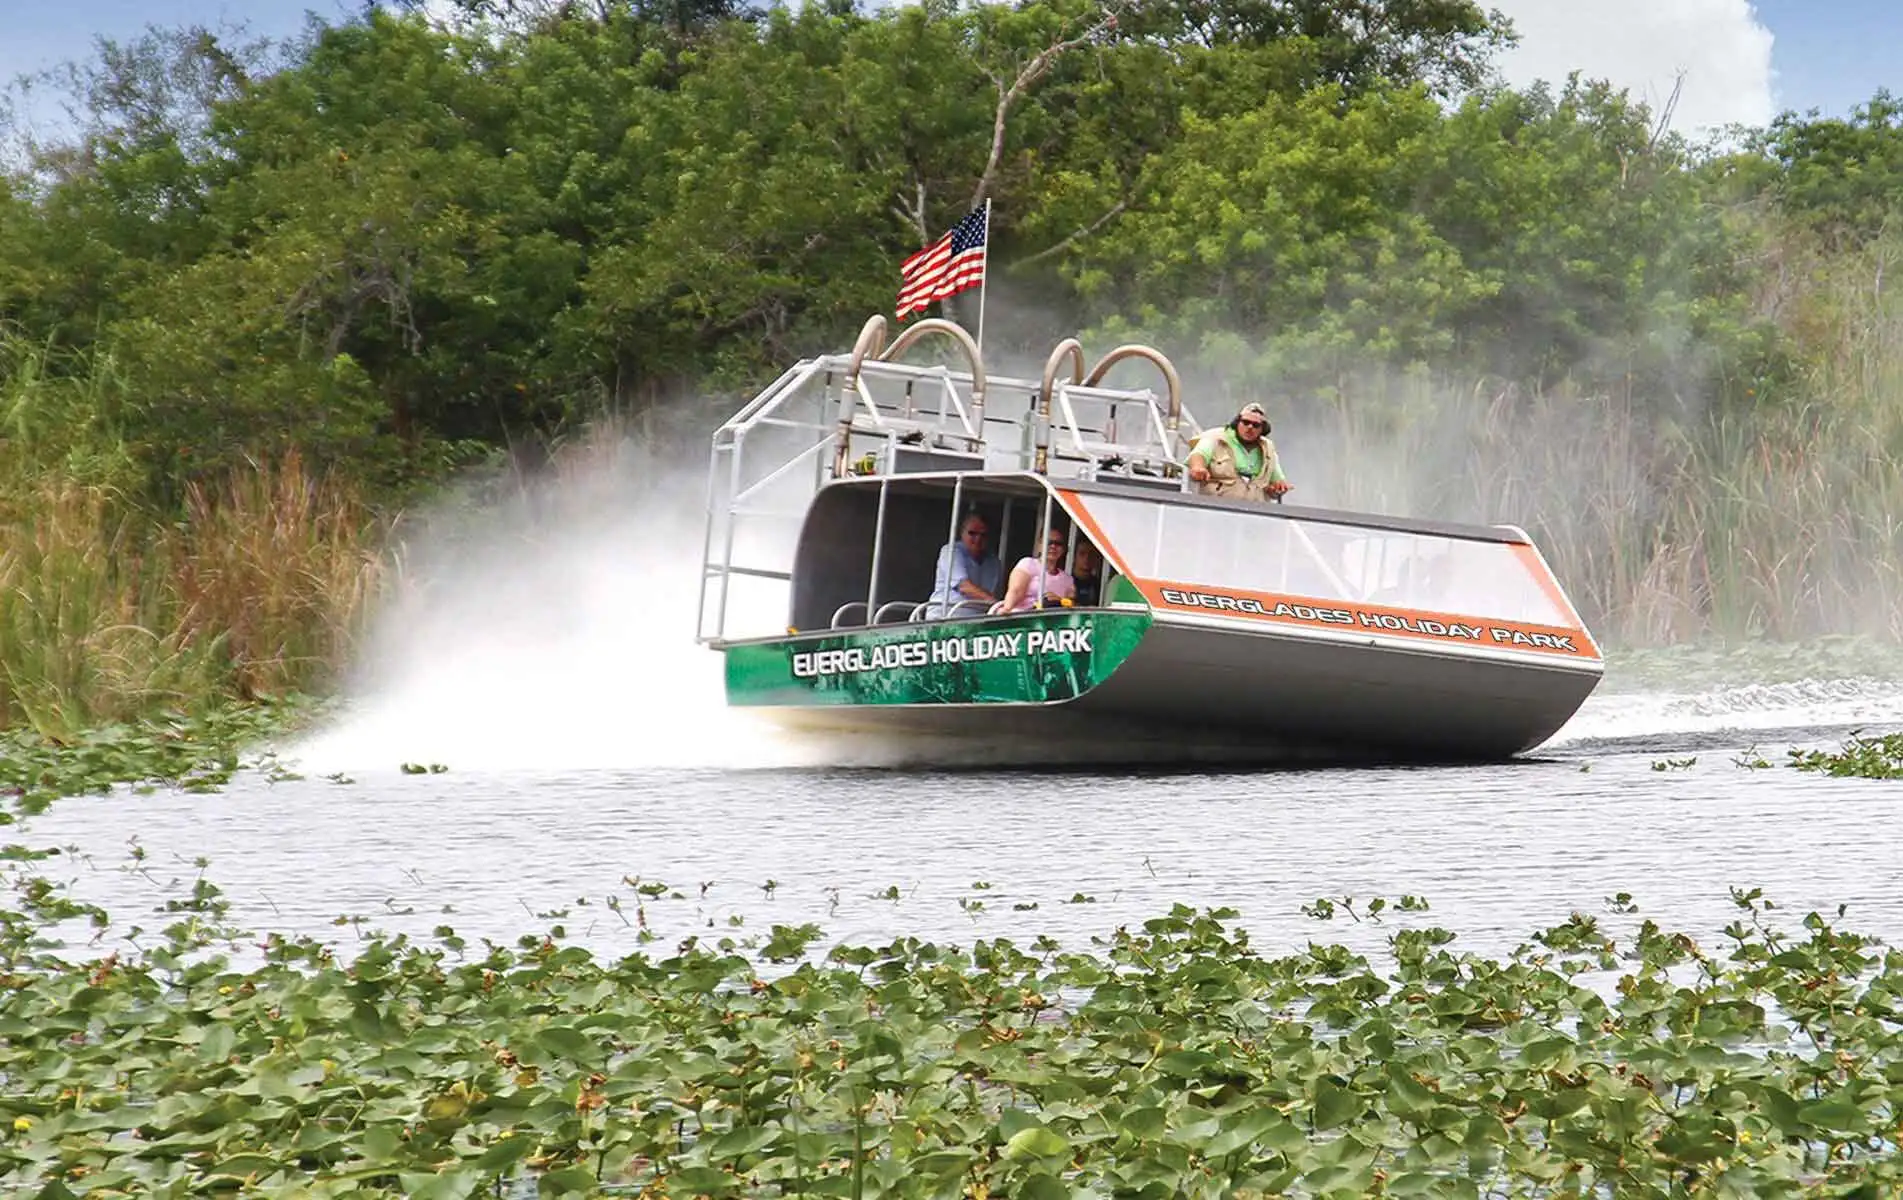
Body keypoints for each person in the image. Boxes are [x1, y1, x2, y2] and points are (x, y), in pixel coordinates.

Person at [1185, 401, 1291, 502]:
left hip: (1255, 510)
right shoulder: (1216, 437)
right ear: (1237, 423)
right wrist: (1198, 468)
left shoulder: (1269, 449)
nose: (1250, 427)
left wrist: (1278, 488)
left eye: (1256, 425)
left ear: (1262, 429)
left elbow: (1277, 481)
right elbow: (1198, 455)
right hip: (1215, 507)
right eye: (1246, 422)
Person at [924, 512, 1003, 618]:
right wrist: (995, 603)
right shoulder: (951, 551)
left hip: (977, 619)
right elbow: (964, 587)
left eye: (983, 535)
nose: (978, 539)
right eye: (972, 533)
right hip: (945, 617)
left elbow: (993, 592)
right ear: (962, 533)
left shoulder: (994, 561)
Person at [990, 528, 1076, 614]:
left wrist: (1058, 600)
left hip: (1052, 620)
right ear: (1040, 545)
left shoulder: (1067, 579)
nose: (1053, 546)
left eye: (1058, 543)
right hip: (1023, 616)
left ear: (1064, 549)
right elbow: (1016, 590)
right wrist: (1007, 609)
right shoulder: (1028, 564)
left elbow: (1071, 605)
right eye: (1049, 542)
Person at [1070, 539, 1102, 606]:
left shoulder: (1099, 585)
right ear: (1074, 556)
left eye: (1091, 554)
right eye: (1082, 553)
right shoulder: (1066, 580)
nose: (1087, 558)